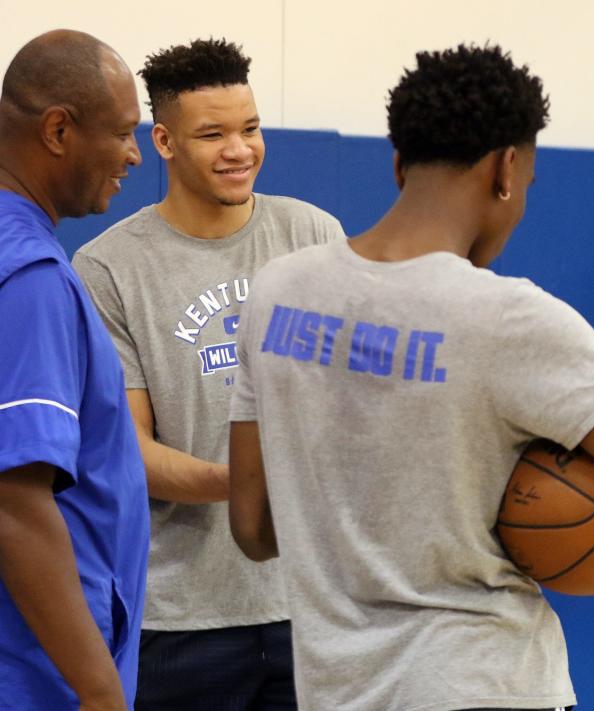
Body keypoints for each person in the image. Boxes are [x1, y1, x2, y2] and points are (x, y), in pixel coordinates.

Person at [228, 44, 594, 711]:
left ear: (400, 162)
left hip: (335, 691)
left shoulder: (278, 292)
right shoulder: (511, 318)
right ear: (506, 170)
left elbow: (254, 529)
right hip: (485, 684)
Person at [72, 38, 344, 710]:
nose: (239, 150)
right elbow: (128, 452)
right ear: (162, 141)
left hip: (310, 607)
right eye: (213, 134)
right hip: (179, 619)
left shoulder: (313, 236)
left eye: (250, 129)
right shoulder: (108, 268)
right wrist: (247, 481)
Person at [0, 29, 149, 710]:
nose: (133, 154)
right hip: (36, 679)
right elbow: (16, 501)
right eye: (122, 132)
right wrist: (99, 691)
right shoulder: (31, 279)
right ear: (58, 129)